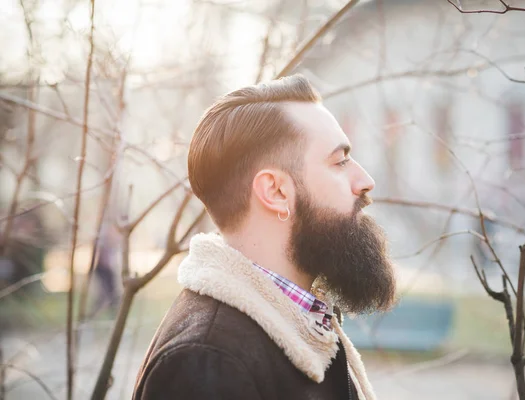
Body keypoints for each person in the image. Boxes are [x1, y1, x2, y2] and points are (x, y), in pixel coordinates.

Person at [133, 75, 397, 400]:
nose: (365, 180)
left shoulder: (305, 323)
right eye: (339, 161)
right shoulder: (205, 363)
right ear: (275, 191)